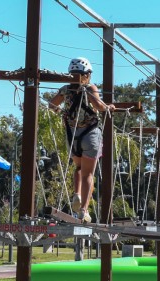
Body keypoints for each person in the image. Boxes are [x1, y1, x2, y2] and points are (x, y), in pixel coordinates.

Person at [48, 57, 115, 223]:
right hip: (90, 134)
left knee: (78, 168)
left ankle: (77, 194)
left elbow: (52, 105)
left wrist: (60, 111)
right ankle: (83, 210)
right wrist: (109, 107)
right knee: (88, 174)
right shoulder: (90, 87)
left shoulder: (65, 89)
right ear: (87, 74)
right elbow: (99, 106)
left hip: (73, 135)